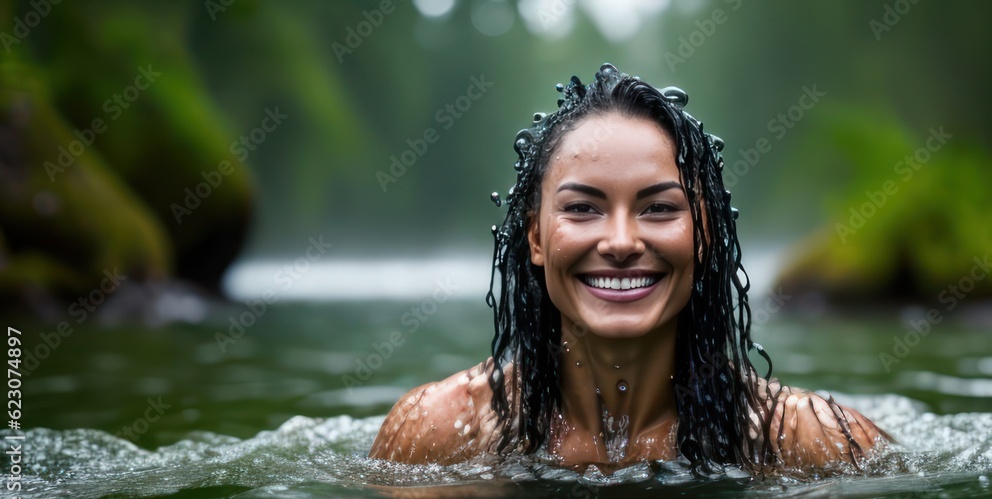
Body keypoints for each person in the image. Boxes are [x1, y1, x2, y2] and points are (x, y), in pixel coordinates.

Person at [368, 64, 889, 473]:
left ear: (704, 235)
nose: (620, 243)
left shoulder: (808, 441)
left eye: (659, 208)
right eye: (582, 208)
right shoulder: (438, 432)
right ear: (536, 238)